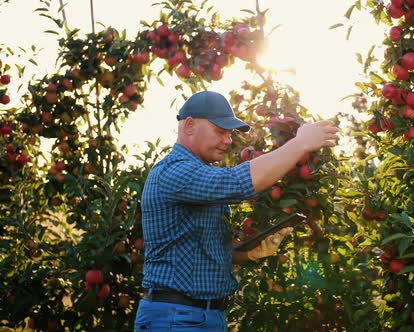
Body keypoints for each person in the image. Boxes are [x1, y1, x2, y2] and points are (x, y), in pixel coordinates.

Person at [134, 90, 339, 331]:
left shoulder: (201, 175)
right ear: (189, 126)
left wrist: (246, 253)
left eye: (230, 134)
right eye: (220, 131)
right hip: (175, 318)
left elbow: (199, 252)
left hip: (205, 316)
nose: (228, 140)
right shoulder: (173, 172)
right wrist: (300, 144)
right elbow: (236, 182)